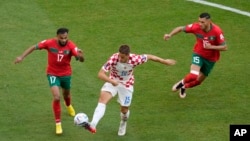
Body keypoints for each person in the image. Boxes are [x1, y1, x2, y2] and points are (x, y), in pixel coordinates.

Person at [82, 44, 176, 136]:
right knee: (102, 100)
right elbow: (100, 74)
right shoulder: (114, 58)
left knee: (124, 110)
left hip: (127, 85)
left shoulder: (135, 59)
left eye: (122, 57)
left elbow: (150, 57)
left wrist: (164, 61)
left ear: (128, 55)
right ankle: (93, 124)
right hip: (112, 81)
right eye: (119, 56)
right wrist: (111, 81)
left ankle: (123, 122)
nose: (120, 59)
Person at [14, 28, 84, 135]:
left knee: (66, 95)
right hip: (53, 74)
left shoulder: (71, 46)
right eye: (62, 38)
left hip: (66, 75)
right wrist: (21, 57)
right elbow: (34, 47)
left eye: (66, 38)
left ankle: (68, 105)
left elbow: (80, 59)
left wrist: (81, 56)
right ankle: (58, 123)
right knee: (56, 97)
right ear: (57, 36)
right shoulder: (49, 43)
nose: (64, 40)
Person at [163, 12, 227, 98]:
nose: (200, 24)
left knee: (198, 82)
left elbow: (224, 47)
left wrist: (211, 47)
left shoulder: (217, 31)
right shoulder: (196, 27)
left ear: (209, 21)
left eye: (202, 22)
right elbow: (180, 28)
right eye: (199, 21)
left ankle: (184, 87)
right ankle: (181, 83)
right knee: (193, 75)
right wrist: (170, 35)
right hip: (198, 54)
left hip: (211, 59)